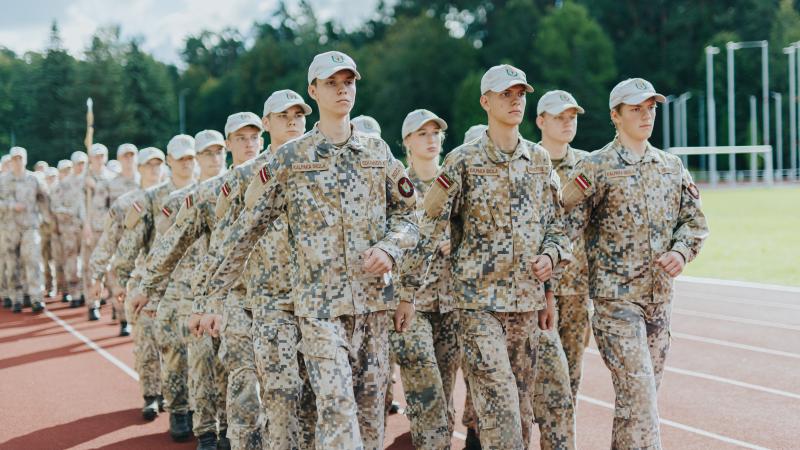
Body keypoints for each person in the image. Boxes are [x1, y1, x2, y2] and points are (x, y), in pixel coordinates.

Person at [201, 50, 419, 450]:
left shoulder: (377, 152)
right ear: (313, 90)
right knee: (336, 407)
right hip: (318, 310)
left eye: (348, 82)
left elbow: (410, 215)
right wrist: (211, 295)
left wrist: (391, 248)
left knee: (371, 415)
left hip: (372, 307)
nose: (342, 90)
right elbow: (246, 232)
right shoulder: (290, 158)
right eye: (332, 83)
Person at [400, 64, 571, 450]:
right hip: (479, 310)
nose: (515, 101)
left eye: (520, 94)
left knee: (522, 417)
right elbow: (428, 228)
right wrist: (407, 292)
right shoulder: (462, 162)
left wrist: (550, 265)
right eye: (506, 94)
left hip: (526, 308)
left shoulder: (540, 161)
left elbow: (557, 229)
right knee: (501, 411)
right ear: (485, 101)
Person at [562, 78, 709, 449]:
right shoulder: (594, 168)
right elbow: (564, 228)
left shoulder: (671, 167)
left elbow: (694, 223)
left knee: (638, 401)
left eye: (651, 108)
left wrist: (681, 251)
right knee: (640, 392)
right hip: (616, 304)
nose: (646, 116)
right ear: (615, 115)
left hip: (659, 301)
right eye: (636, 109)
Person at [139, 114, 264, 450]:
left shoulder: (259, 182)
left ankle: (228, 428)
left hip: (245, 290)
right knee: (199, 359)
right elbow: (168, 248)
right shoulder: (188, 200)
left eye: (214, 153)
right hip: (197, 290)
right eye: (203, 154)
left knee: (229, 367)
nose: (211, 159)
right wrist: (149, 289)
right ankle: (203, 427)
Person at [391, 109, 462, 450]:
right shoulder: (397, 187)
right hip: (410, 304)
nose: (431, 139)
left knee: (445, 395)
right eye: (422, 133)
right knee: (426, 392)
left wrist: (457, 242)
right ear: (407, 141)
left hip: (451, 302)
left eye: (435, 133)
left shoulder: (453, 184)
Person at [113, 143, 194, 422]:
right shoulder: (148, 199)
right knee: (160, 345)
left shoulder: (204, 191)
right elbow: (130, 243)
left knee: (195, 349)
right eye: (180, 158)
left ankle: (195, 405)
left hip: (195, 282)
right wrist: (122, 280)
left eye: (190, 158)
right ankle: (159, 398)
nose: (186, 163)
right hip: (157, 284)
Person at [0, 147, 51, 313]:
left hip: (30, 227)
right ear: (11, 160)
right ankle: (17, 298)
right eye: (14, 159)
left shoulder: (33, 179)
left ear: (26, 160)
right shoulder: (3, 180)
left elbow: (44, 199)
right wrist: (11, 206)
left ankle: (36, 297)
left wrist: (47, 218)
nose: (17, 162)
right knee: (12, 263)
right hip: (9, 228)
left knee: (33, 260)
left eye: (20, 158)